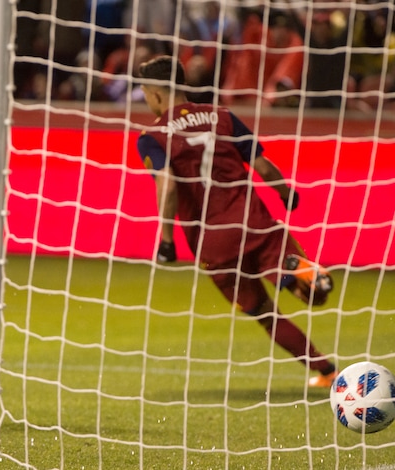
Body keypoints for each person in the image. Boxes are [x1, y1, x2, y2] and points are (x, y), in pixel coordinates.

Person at [136, 55, 337, 388]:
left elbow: (168, 185)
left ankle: (326, 370)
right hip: (255, 223)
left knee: (263, 311)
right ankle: (302, 270)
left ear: (154, 94)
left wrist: (167, 240)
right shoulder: (223, 117)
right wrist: (285, 194)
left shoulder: (152, 136)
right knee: (309, 292)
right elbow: (263, 165)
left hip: (214, 243)